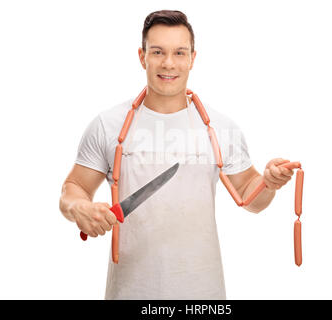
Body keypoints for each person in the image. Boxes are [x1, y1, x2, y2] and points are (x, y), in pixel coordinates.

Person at [59, 10, 294, 300]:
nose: (168, 63)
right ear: (142, 56)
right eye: (157, 52)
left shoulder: (221, 128)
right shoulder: (107, 125)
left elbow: (251, 199)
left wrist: (269, 182)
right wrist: (78, 208)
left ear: (193, 58)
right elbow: (74, 188)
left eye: (179, 52)